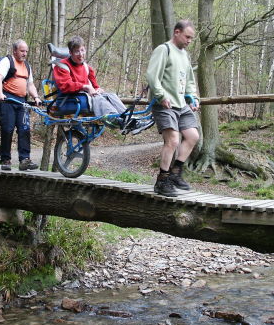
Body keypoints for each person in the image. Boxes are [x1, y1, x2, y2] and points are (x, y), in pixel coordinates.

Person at [52, 36, 152, 133]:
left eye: (82, 50)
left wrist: (97, 88)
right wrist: (86, 87)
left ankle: (130, 119)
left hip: (83, 97)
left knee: (110, 95)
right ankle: (114, 119)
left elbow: (95, 85)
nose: (80, 54)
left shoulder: (86, 67)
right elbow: (65, 85)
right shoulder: (62, 66)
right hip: (68, 100)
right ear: (70, 53)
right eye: (77, 51)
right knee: (97, 97)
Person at [146, 20, 200, 197]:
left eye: (192, 38)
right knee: (173, 141)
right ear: (177, 32)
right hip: (164, 104)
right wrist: (161, 96)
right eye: (187, 37)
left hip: (180, 104)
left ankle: (176, 172)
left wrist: (192, 97)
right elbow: (152, 76)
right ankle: (162, 181)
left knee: (193, 136)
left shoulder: (185, 55)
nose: (189, 41)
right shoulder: (164, 50)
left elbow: (190, 80)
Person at [0, 40, 41, 171]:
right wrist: (0, 93)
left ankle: (24, 159)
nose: (24, 54)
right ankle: (5, 160)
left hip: (22, 101)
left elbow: (30, 84)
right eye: (22, 51)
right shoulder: (7, 61)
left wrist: (36, 97)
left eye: (26, 51)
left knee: (24, 130)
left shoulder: (27, 65)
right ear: (15, 50)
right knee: (7, 129)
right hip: (8, 99)